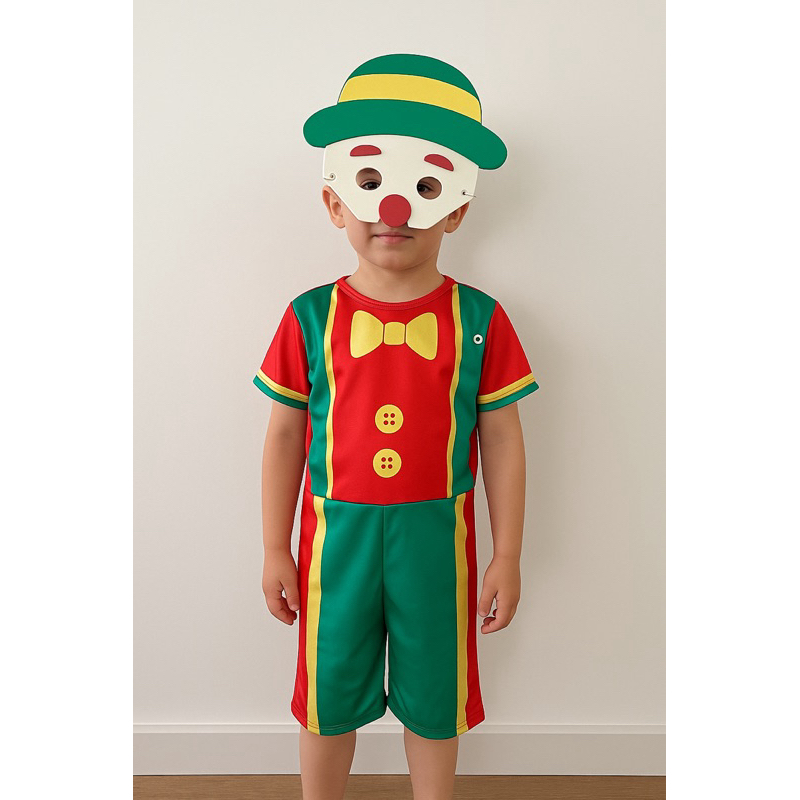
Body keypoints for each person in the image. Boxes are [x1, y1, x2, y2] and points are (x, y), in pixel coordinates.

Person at [254, 53, 541, 800]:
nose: (394, 210)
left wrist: (507, 554)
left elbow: (503, 439)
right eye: (371, 185)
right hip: (334, 538)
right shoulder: (308, 317)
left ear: (456, 209)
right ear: (335, 204)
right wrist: (275, 545)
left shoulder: (480, 320)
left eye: (424, 189)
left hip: (437, 539)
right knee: (327, 694)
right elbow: (284, 437)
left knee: (436, 694)